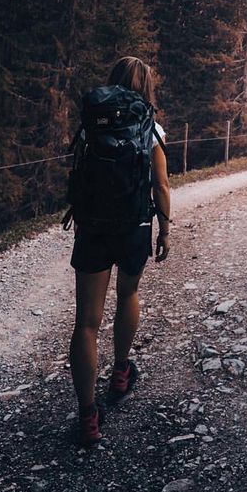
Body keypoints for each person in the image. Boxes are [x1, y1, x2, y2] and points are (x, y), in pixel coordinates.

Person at [69, 56, 171, 447]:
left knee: (86, 323)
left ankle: (88, 417)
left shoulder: (90, 126)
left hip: (93, 229)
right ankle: (121, 373)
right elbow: (160, 186)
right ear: (146, 86)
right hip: (133, 227)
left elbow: (77, 175)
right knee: (128, 294)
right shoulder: (151, 127)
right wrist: (165, 229)